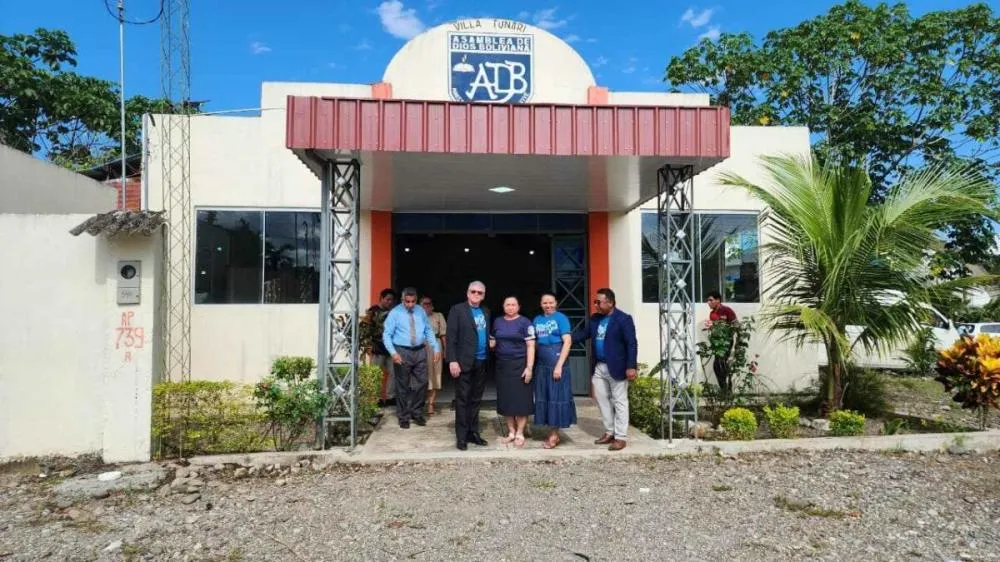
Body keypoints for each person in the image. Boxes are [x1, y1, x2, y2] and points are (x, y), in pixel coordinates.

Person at [573, 288, 637, 451]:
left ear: (610, 302)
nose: (596, 305)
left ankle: (621, 437)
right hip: (599, 366)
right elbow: (582, 334)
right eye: (595, 302)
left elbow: (631, 343)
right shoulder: (595, 319)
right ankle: (610, 432)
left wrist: (631, 366)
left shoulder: (623, 319)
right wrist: (564, 339)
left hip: (618, 367)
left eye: (598, 302)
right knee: (602, 400)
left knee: (620, 401)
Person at [382, 287, 440, 429]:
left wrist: (436, 348)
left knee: (422, 382)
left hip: (420, 350)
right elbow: (387, 335)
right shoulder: (395, 313)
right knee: (402, 385)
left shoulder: (420, 311)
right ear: (402, 300)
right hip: (402, 351)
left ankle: (417, 412)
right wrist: (393, 353)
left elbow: (428, 330)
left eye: (413, 301)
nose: (410, 304)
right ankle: (403, 416)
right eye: (407, 301)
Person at [446, 281, 491, 450]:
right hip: (463, 362)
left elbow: (484, 334)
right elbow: (451, 337)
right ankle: (462, 437)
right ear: (467, 293)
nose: (476, 295)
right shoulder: (457, 310)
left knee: (476, 399)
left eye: (480, 292)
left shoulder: (486, 311)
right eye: (473, 291)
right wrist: (452, 360)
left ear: (484, 295)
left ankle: (473, 432)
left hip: (481, 361)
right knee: (463, 400)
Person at [490, 296, 536, 448]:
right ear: (503, 307)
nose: (510, 307)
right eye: (507, 305)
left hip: (520, 365)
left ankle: (520, 432)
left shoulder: (525, 322)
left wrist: (529, 367)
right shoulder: (497, 322)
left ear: (518, 306)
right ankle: (511, 432)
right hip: (503, 365)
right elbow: (493, 340)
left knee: (521, 400)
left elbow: (530, 346)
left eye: (513, 305)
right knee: (507, 400)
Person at [532, 293, 577, 449]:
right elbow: (535, 343)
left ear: (556, 303)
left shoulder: (561, 318)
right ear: (541, 304)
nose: (548, 305)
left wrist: (559, 365)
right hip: (542, 364)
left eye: (551, 302)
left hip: (557, 362)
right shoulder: (537, 320)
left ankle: (554, 435)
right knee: (545, 396)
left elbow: (568, 341)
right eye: (545, 303)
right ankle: (550, 430)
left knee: (555, 398)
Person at [366, 288, 396, 406]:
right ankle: (376, 398)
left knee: (393, 373)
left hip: (390, 349)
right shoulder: (373, 311)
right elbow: (368, 328)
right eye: (387, 299)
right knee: (376, 374)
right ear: (381, 298)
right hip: (377, 349)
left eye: (391, 300)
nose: (389, 302)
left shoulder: (393, 312)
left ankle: (390, 397)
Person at [706, 290, 738, 397]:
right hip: (717, 344)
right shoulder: (712, 314)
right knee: (718, 366)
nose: (708, 303)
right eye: (708, 300)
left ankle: (726, 390)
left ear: (718, 300)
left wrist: (737, 341)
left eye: (711, 300)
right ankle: (725, 391)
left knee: (720, 365)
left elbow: (736, 325)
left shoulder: (727, 310)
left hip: (726, 342)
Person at [420, 296, 447, 417]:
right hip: (421, 347)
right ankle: (420, 403)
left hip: (436, 346)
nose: (427, 306)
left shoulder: (438, 316)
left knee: (436, 374)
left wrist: (446, 350)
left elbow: (443, 334)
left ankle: (431, 404)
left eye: (428, 303)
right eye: (424, 304)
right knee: (422, 374)